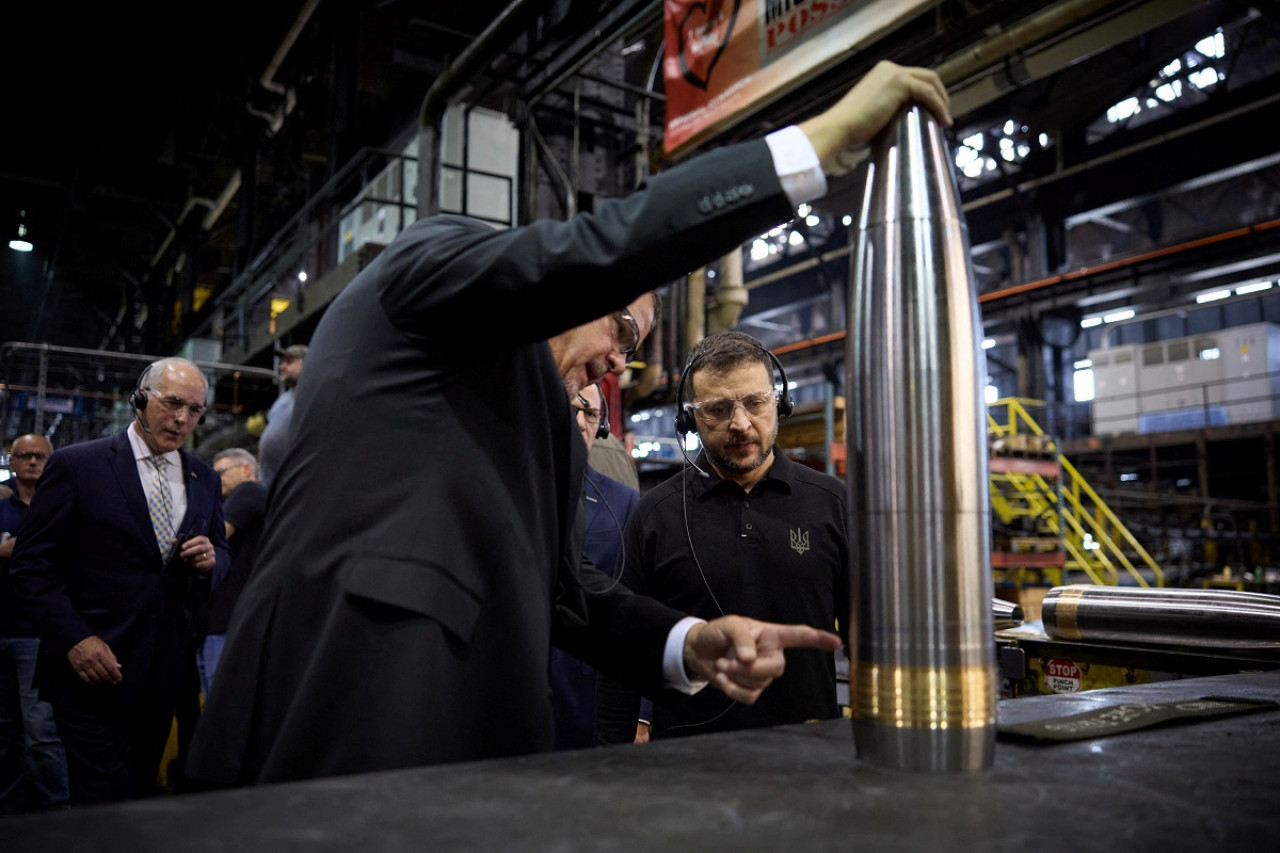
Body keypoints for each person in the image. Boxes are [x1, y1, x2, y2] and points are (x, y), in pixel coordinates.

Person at [186, 61, 951, 787]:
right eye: (622, 331)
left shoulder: (542, 428)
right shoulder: (427, 265)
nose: (620, 364)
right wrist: (814, 143)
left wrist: (686, 640)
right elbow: (595, 251)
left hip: (473, 744)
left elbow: (563, 595)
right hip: (350, 694)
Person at [595, 331, 850, 745]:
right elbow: (623, 653)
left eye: (755, 402)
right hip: (686, 764)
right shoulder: (654, 516)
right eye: (717, 409)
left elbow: (870, 642)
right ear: (690, 418)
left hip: (810, 756)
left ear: (778, 402)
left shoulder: (833, 504)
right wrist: (610, 761)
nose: (740, 423)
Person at [9, 357, 230, 804]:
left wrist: (213, 560)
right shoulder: (78, 466)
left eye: (195, 410)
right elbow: (32, 565)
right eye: (172, 404)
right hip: (92, 668)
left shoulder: (203, 477)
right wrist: (75, 639)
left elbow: (224, 555)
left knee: (140, 795)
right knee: (101, 799)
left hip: (164, 672)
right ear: (140, 399)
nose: (183, 419)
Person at [549, 384, 641, 749]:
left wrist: (642, 712)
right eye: (575, 409)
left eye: (592, 415)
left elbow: (635, 598)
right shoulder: (514, 487)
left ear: (602, 426)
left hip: (588, 693)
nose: (581, 422)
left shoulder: (624, 502)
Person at [0, 434, 68, 812]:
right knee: (4, 732)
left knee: (41, 733)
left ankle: (57, 812)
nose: (32, 462)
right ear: (12, 460)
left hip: (36, 634)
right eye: (24, 456)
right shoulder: (1, 499)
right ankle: (8, 810)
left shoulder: (61, 502)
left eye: (39, 456)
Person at [195, 448, 268, 698]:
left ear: (246, 470)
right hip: (216, 622)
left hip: (229, 622)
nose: (217, 479)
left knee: (221, 701)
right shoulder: (228, 502)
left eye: (222, 472)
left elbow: (215, 535)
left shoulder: (250, 491)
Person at [257, 343, 306, 488]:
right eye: (282, 362)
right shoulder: (281, 401)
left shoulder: (315, 394)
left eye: (289, 362)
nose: (282, 366)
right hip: (271, 480)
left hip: (297, 479)